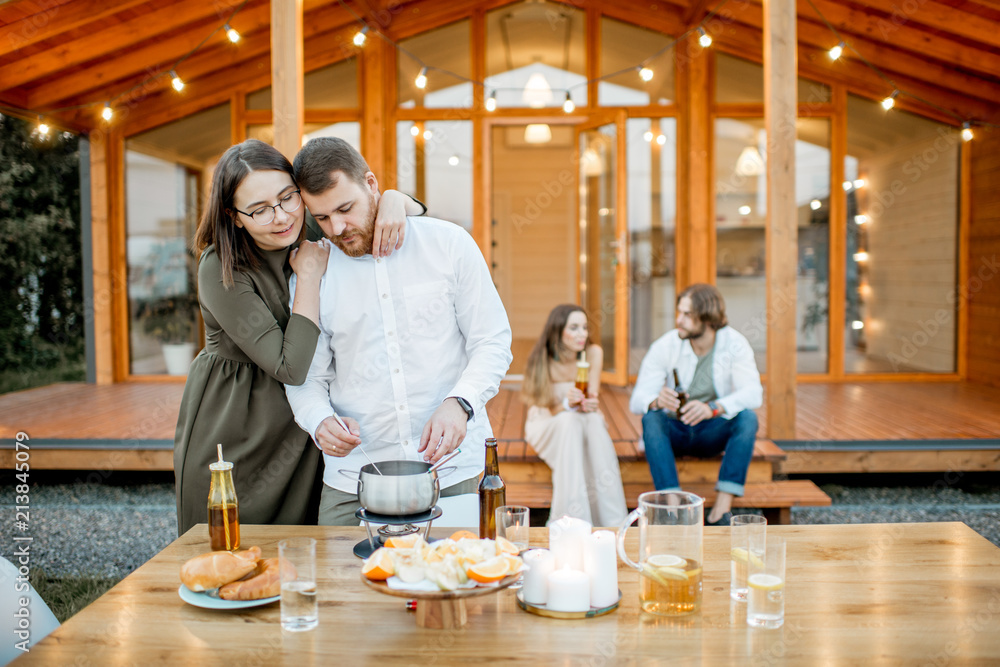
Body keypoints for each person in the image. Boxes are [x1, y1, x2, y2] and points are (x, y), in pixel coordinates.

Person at [173, 138, 425, 535]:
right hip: (239, 417)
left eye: (288, 197)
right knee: (232, 546)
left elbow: (397, 211)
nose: (280, 217)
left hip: (302, 420)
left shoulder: (310, 222)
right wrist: (307, 277)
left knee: (301, 549)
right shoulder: (220, 269)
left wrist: (394, 199)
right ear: (234, 216)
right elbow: (289, 366)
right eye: (259, 210)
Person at [285, 137, 513, 527]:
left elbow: (492, 341)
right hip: (352, 478)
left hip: (452, 470)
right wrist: (318, 419)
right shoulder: (312, 274)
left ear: (371, 184)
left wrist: (461, 403)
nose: (337, 227)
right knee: (337, 588)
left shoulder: (449, 244)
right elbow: (306, 375)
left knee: (459, 583)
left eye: (345, 208)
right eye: (322, 218)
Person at [629, 283, 762, 526]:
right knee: (651, 417)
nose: (679, 319)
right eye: (679, 312)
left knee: (748, 418)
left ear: (708, 317)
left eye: (687, 315)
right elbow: (637, 399)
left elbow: (754, 393)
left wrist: (714, 407)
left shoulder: (734, 343)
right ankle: (673, 509)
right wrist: (656, 400)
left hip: (711, 432)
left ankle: (720, 509)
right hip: (675, 432)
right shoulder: (665, 345)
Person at [521, 304, 628, 527]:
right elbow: (545, 406)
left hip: (581, 417)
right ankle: (571, 518)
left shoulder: (593, 353)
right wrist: (566, 404)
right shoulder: (543, 357)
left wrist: (590, 403)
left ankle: (612, 519)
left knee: (595, 421)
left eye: (585, 327)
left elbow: (592, 394)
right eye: (574, 328)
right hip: (548, 419)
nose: (583, 334)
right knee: (570, 421)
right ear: (558, 331)